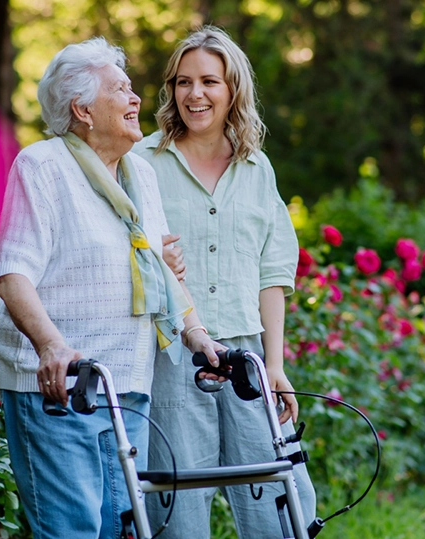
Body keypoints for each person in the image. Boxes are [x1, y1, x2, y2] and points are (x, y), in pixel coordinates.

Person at [0, 37, 221, 539]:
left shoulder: (139, 173)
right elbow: (12, 272)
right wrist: (51, 343)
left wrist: (197, 334)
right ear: (83, 109)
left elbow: (158, 268)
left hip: (126, 386)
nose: (137, 99)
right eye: (121, 89)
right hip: (61, 387)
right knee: (72, 530)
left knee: (124, 530)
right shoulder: (43, 166)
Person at [135, 26, 317, 538]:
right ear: (171, 90)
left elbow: (273, 274)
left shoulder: (257, 169)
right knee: (178, 512)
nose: (195, 94)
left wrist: (275, 366)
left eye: (210, 81)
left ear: (233, 88)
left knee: (278, 508)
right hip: (171, 357)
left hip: (246, 357)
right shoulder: (142, 164)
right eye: (183, 82)